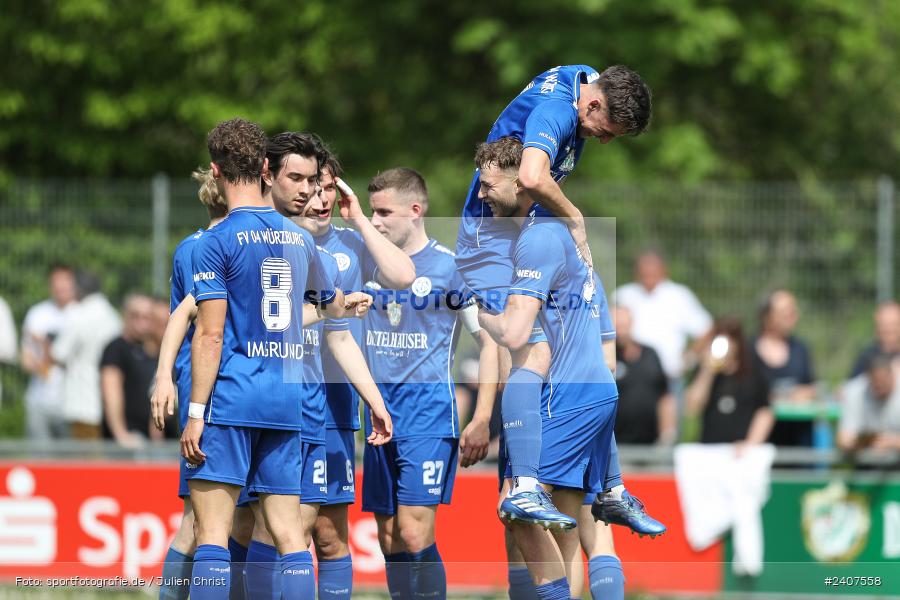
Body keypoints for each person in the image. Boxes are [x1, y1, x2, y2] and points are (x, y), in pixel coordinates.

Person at [178, 117, 385, 599]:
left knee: (212, 534)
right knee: (292, 537)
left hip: (232, 399)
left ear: (216, 170)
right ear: (266, 169)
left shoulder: (216, 240)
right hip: (288, 401)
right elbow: (329, 305)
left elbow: (210, 336)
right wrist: (342, 306)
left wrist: (195, 412)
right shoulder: (300, 239)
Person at [455, 64, 652, 530]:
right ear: (595, 103)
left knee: (590, 358)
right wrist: (575, 217)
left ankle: (611, 487)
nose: (603, 141)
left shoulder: (581, 82)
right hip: (490, 243)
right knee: (535, 347)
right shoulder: (558, 109)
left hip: (521, 236)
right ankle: (524, 486)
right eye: (607, 131)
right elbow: (531, 175)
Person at [476, 137, 620, 600]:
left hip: (552, 405)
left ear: (522, 183)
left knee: (534, 518)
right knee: (566, 527)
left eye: (487, 185)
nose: (479, 196)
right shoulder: (566, 252)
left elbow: (518, 341)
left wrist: (484, 316)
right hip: (565, 404)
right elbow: (606, 355)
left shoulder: (537, 244)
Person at [360, 167, 493, 600]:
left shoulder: (451, 268)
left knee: (414, 531)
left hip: (428, 417)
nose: (375, 221)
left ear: (415, 210)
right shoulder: (367, 264)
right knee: (388, 536)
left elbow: (491, 342)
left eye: (384, 212)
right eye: (371, 212)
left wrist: (483, 416)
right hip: (377, 419)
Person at [294, 140, 417, 600]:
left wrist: (359, 219)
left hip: (333, 407)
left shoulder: (350, 244)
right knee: (280, 529)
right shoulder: (276, 240)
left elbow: (403, 275)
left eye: (329, 189)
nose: (322, 199)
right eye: (313, 188)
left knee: (328, 535)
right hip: (278, 401)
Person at [154, 166, 228, 600]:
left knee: (213, 519)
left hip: (215, 382)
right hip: (213, 385)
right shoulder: (207, 248)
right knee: (199, 521)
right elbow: (188, 315)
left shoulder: (191, 245)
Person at [615, 250, 713, 401]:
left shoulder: (679, 296)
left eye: (652, 270)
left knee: (669, 424)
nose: (648, 274)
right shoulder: (623, 295)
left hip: (669, 379)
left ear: (663, 270)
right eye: (644, 271)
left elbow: (705, 329)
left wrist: (689, 358)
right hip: (629, 378)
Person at [51, 270, 121, 439]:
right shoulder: (113, 316)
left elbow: (58, 353)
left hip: (82, 399)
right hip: (110, 399)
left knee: (83, 460)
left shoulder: (78, 314)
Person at [685, 317, 774, 449]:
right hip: (710, 449)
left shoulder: (754, 372)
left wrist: (751, 443)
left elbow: (764, 411)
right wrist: (707, 371)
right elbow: (692, 408)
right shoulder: (706, 371)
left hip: (742, 451)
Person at [20, 264, 77, 440]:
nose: (60, 286)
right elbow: (26, 357)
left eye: (65, 280)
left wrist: (45, 346)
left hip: (72, 402)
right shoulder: (37, 313)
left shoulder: (82, 313)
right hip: (40, 399)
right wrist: (40, 363)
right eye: (56, 281)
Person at [752, 289, 817, 447]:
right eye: (786, 312)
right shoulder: (748, 352)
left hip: (798, 438)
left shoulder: (800, 349)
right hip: (759, 440)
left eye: (793, 311)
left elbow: (811, 388)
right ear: (767, 317)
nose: (794, 317)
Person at [612, 305, 677, 445]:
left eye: (623, 326)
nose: (620, 331)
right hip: (617, 444)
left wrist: (668, 432)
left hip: (652, 443)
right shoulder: (606, 360)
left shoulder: (650, 355)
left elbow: (664, 395)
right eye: (615, 327)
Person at [100, 293, 157, 447]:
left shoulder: (155, 350)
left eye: (147, 317)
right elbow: (111, 393)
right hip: (129, 439)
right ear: (126, 316)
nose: (141, 322)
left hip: (153, 440)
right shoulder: (116, 348)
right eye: (135, 316)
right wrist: (121, 434)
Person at [837, 353, 900, 452]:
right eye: (876, 383)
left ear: (892, 375)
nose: (880, 386)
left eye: (883, 382)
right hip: (867, 460)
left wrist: (894, 442)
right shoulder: (855, 391)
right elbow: (844, 439)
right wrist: (863, 442)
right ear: (867, 378)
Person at [850, 301, 900, 378]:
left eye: (892, 325)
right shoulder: (867, 357)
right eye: (883, 325)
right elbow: (852, 386)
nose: (888, 330)